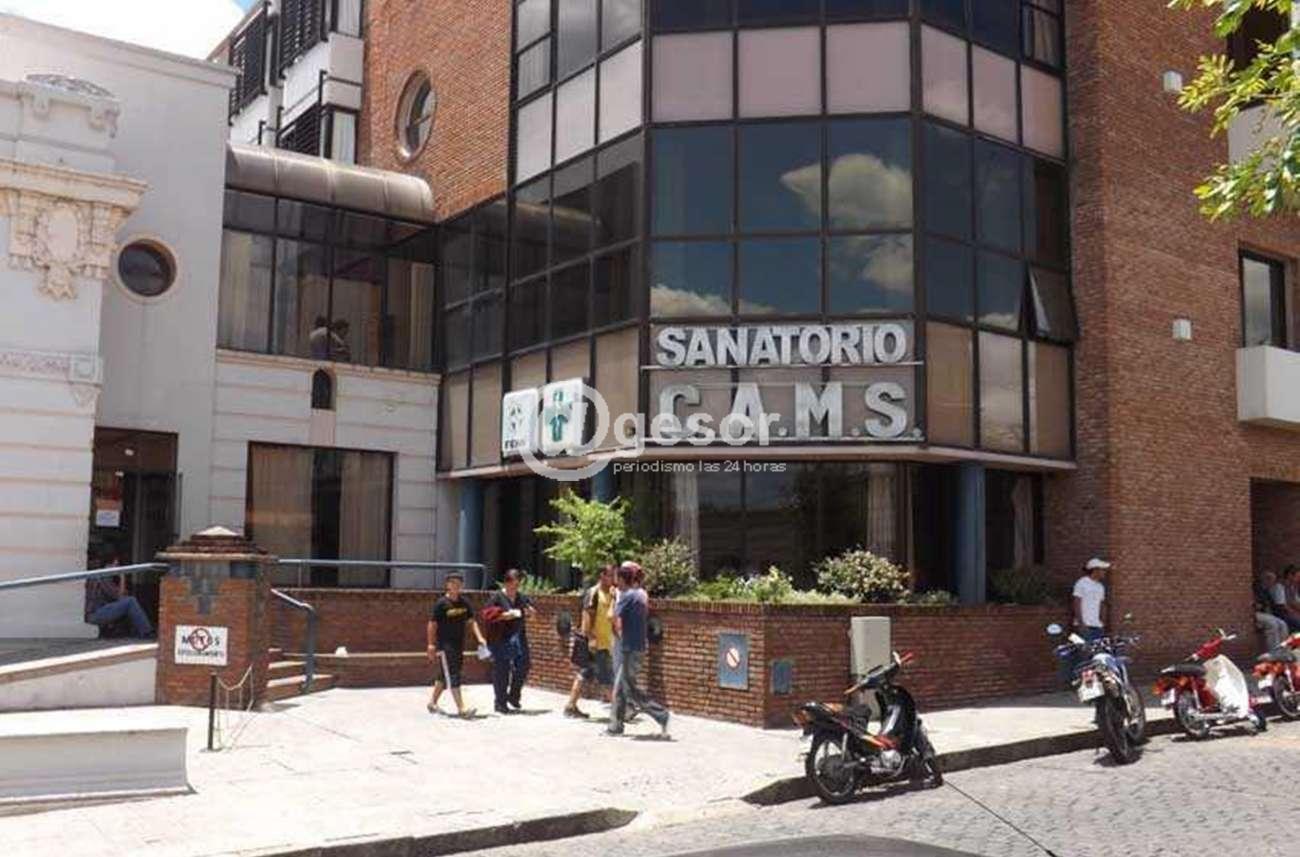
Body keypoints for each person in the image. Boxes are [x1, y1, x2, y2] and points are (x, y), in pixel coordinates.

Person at [607, 562, 670, 738]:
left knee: (628, 689)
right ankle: (615, 726)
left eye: (616, 578)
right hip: (639, 647)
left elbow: (613, 618)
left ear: (622, 579)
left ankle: (661, 714)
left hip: (629, 648)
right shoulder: (641, 595)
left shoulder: (626, 597)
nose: (615, 582)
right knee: (621, 688)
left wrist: (613, 598)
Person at [427, 571, 487, 718]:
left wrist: (480, 637)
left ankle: (432, 703)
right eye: (453, 582)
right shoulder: (441, 603)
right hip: (445, 645)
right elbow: (432, 624)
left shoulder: (465, 603)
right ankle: (462, 709)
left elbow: (471, 621)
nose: (456, 585)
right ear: (447, 585)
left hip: (459, 643)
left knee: (444, 674)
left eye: (459, 583)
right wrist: (431, 645)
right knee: (453, 674)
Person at [564, 565, 617, 719]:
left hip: (605, 642)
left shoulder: (610, 593)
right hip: (596, 644)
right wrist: (591, 639)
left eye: (614, 575)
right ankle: (619, 712)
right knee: (606, 678)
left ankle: (570, 706)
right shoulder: (594, 593)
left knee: (584, 674)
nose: (613, 579)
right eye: (610, 575)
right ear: (602, 575)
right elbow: (587, 616)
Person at [486, 569, 536, 715]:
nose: (515, 587)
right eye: (513, 584)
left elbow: (530, 610)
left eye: (518, 584)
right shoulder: (497, 597)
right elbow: (488, 616)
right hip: (501, 637)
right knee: (502, 670)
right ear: (506, 583)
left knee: (524, 665)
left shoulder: (521, 597)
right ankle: (500, 703)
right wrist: (505, 616)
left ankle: (513, 695)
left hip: (518, 635)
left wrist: (531, 612)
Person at [84, 564, 153, 638]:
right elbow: (120, 596)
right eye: (116, 565)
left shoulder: (97, 575)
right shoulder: (102, 577)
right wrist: (122, 576)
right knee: (130, 601)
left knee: (127, 603)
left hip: (95, 613)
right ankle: (146, 632)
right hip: (94, 615)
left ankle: (133, 631)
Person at [1072, 558, 1109, 642]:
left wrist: (1103, 622)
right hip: (1084, 625)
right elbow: (1076, 603)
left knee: (1097, 649)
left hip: (1097, 626)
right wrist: (1081, 623)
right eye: (1102, 570)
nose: (1104, 572)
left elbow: (1102, 604)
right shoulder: (1081, 583)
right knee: (1083, 648)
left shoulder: (1100, 587)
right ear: (1095, 570)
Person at [1255, 571, 1290, 651]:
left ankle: (1284, 650)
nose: (1272, 583)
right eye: (1271, 581)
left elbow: (1270, 604)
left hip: (1266, 614)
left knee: (1283, 624)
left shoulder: (1266, 590)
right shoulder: (1256, 589)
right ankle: (1274, 651)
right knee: (1272, 624)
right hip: (1256, 613)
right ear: (1265, 580)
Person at [1270, 565, 1300, 632]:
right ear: (1290, 575)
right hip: (1282, 614)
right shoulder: (1279, 587)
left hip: (1292, 612)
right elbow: (1282, 606)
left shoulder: (1292, 587)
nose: (1299, 579)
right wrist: (1295, 613)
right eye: (1297, 577)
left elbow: (1295, 602)